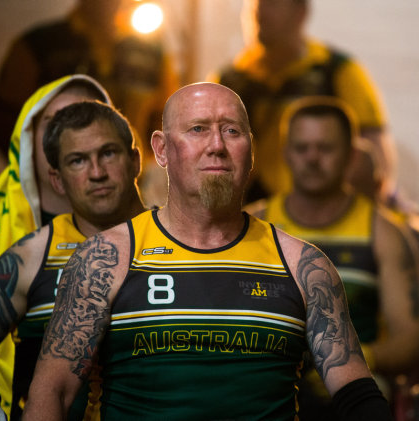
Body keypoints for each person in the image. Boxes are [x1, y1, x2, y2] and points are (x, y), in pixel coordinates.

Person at [23, 82, 393, 420]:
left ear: (251, 150)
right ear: (162, 150)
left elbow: (355, 393)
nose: (216, 144)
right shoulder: (104, 260)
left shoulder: (303, 265)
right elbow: (51, 395)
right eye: (198, 129)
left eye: (231, 131)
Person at [246, 96, 419, 419]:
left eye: (325, 148)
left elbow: (410, 338)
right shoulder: (254, 226)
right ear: (284, 154)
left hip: (352, 389)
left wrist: (348, 364)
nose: (312, 158)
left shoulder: (383, 234)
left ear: (350, 156)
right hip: (267, 380)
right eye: (302, 147)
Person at [0, 100, 146, 420]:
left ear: (135, 160)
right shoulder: (31, 257)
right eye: (78, 161)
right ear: (57, 179)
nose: (97, 173)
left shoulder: (176, 242)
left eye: (108, 153)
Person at [0, 0, 178, 207]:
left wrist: (133, 168)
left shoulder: (153, 52)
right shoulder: (39, 46)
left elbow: (167, 122)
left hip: (131, 198)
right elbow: (3, 124)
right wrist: (50, 175)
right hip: (59, 203)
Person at [209, 0, 397, 204]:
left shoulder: (337, 71)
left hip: (323, 214)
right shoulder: (229, 80)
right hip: (251, 215)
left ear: (301, 12)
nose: (259, 13)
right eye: (254, 5)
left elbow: (374, 156)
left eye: (271, 4)